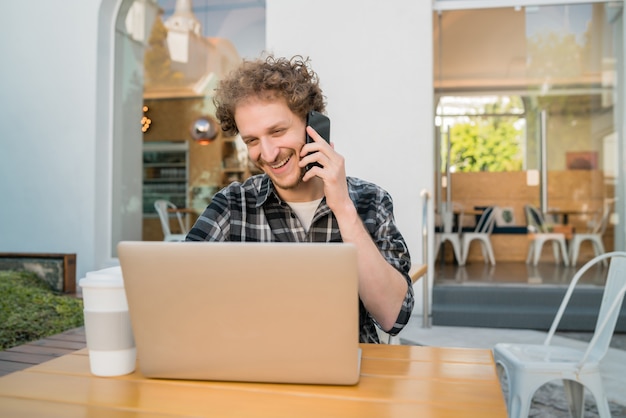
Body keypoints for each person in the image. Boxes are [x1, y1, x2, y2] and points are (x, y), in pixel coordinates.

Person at [186, 55, 414, 343]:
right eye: (252, 141)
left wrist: (343, 208)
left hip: (349, 372)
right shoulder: (232, 205)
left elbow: (393, 317)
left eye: (277, 131)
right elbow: (183, 293)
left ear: (313, 126)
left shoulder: (371, 201)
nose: (267, 154)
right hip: (257, 367)